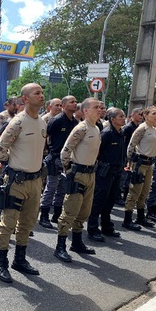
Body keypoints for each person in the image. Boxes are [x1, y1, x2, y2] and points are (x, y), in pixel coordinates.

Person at [0, 83, 46, 282]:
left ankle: (20, 260)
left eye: (42, 92)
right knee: (8, 224)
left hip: (35, 181)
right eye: (37, 93)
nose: (42, 96)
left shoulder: (41, 122)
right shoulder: (18, 122)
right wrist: (13, 166)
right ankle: (1, 264)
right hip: (17, 181)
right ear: (25, 99)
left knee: (27, 223)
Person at [53, 98, 102, 262]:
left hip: (90, 174)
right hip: (78, 173)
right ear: (86, 110)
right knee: (70, 211)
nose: (100, 109)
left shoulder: (95, 128)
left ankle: (77, 242)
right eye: (96, 107)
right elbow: (65, 151)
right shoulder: (81, 128)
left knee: (84, 211)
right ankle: (60, 246)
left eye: (100, 107)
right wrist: (69, 172)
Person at [38, 95, 78, 229]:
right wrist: (43, 153)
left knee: (63, 188)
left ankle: (56, 214)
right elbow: (45, 137)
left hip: (67, 160)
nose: (75, 104)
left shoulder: (74, 122)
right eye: (72, 102)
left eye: (76, 102)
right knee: (51, 187)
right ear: (64, 105)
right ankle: (43, 216)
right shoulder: (57, 120)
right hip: (54, 158)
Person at [87, 107, 126, 241]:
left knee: (110, 200)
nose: (123, 118)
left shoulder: (121, 132)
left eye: (123, 116)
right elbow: (97, 152)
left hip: (117, 171)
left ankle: (106, 226)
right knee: (99, 200)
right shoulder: (106, 133)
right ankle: (92, 228)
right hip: (105, 172)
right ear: (112, 119)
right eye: (120, 116)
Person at [123, 106, 156, 230]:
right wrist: (129, 162)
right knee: (134, 191)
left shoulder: (153, 129)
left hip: (149, 164)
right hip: (140, 163)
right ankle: (127, 219)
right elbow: (131, 145)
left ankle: (140, 217)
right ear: (146, 115)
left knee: (144, 192)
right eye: (154, 114)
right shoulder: (142, 128)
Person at [0, 98, 18, 216]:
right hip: (2, 153)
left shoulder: (18, 118)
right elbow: (1, 136)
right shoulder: (4, 117)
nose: (16, 107)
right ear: (8, 105)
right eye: (14, 104)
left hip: (13, 156)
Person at [117, 108, 143, 205]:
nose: (141, 116)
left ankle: (125, 196)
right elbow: (124, 143)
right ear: (132, 115)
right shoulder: (128, 128)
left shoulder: (138, 127)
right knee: (122, 177)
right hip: (125, 155)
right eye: (139, 114)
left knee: (128, 177)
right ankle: (118, 196)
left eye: (142, 114)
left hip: (133, 155)